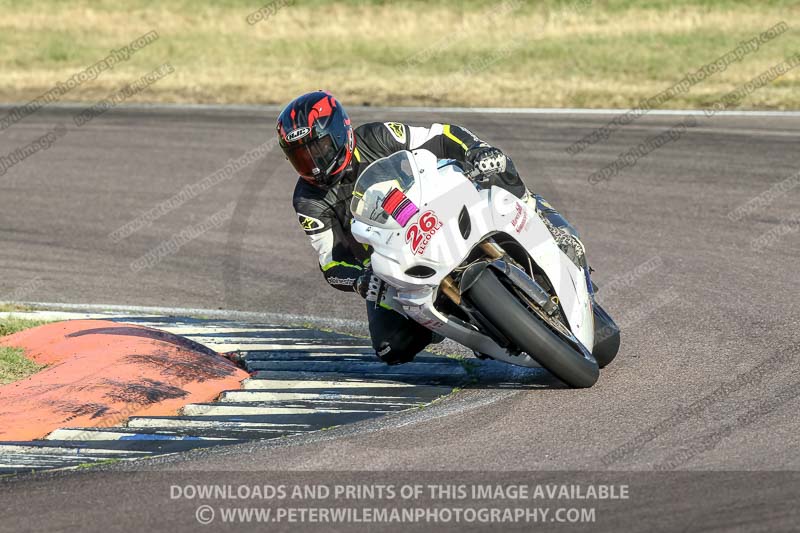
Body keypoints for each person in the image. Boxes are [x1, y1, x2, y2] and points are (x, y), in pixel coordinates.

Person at [277, 90, 597, 366]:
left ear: (341, 132)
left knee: (494, 166)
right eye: (301, 157)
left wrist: (474, 150)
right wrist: (361, 280)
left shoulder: (377, 136)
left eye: (317, 149)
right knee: (391, 348)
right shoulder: (308, 201)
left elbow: (440, 135)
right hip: (390, 265)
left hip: (435, 210)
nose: (313, 163)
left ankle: (542, 218)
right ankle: (472, 326)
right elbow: (330, 262)